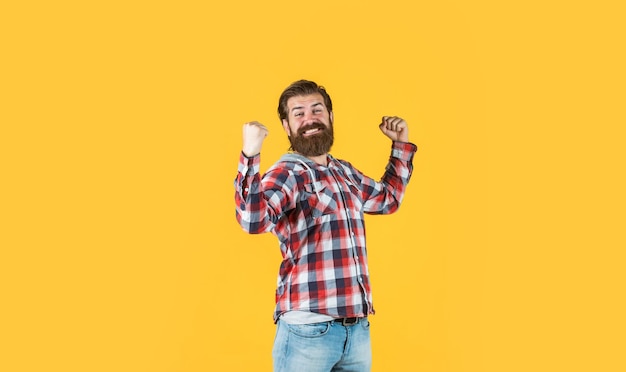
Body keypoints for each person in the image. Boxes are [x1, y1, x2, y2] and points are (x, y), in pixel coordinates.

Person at [234, 79, 418, 372]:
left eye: (317, 110)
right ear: (286, 125)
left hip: (356, 331)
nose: (310, 119)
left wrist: (400, 145)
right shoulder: (288, 172)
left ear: (330, 117)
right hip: (307, 333)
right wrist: (250, 155)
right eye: (299, 113)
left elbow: (387, 199)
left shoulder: (343, 172)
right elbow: (252, 221)